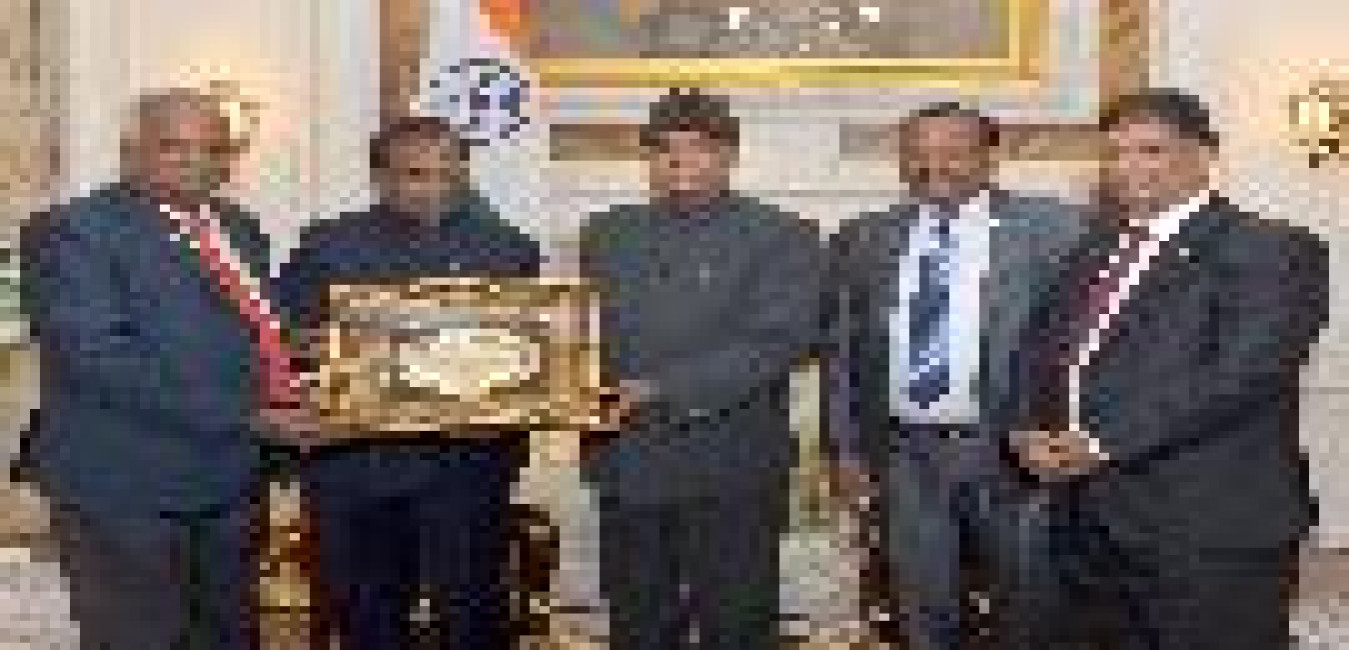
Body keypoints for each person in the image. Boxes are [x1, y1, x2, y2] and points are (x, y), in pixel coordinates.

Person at [999, 88, 1330, 650]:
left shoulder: (1273, 250)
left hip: (1206, 530)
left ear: (1206, 155)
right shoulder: (1094, 250)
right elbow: (1042, 351)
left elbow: (1239, 377)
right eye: (1114, 153)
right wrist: (1026, 428)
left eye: (1151, 151)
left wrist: (1100, 442)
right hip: (1087, 521)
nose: (1127, 167)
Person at [19, 88, 310, 649]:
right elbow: (97, 359)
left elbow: (243, 330)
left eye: (215, 149)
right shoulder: (75, 230)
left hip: (230, 478)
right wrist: (248, 415)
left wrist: (314, 354)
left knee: (228, 634)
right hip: (127, 487)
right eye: (175, 147)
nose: (199, 162)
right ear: (130, 152)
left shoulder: (240, 227)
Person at [274, 116, 541, 650]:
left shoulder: (510, 248)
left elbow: (530, 353)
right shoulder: (328, 243)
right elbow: (284, 339)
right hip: (358, 466)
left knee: (473, 620)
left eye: (450, 173)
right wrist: (348, 344)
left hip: (468, 467)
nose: (436, 188)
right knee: (368, 622)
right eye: (417, 175)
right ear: (382, 177)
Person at [823, 102, 1082, 650]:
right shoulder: (864, 237)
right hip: (906, 458)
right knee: (921, 612)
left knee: (1028, 612)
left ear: (990, 157)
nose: (932, 166)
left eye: (952, 153)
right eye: (917, 154)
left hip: (1014, 454)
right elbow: (843, 351)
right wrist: (845, 450)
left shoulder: (1056, 228)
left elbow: (1087, 340)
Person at [577, 89, 823, 650]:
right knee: (637, 622)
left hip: (731, 464)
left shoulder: (784, 233)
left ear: (729, 155)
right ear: (648, 158)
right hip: (628, 460)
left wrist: (661, 388)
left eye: (698, 147)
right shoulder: (607, 231)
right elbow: (582, 333)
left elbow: (781, 342)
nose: (679, 160)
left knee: (736, 624)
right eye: (664, 148)